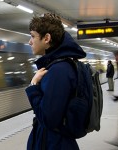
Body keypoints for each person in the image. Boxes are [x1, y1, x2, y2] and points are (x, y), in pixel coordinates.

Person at [25, 13, 86, 150]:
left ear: (46, 38)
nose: (30, 41)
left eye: (33, 36)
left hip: (53, 144)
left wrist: (33, 86)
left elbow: (48, 119)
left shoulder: (59, 71)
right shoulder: (57, 67)